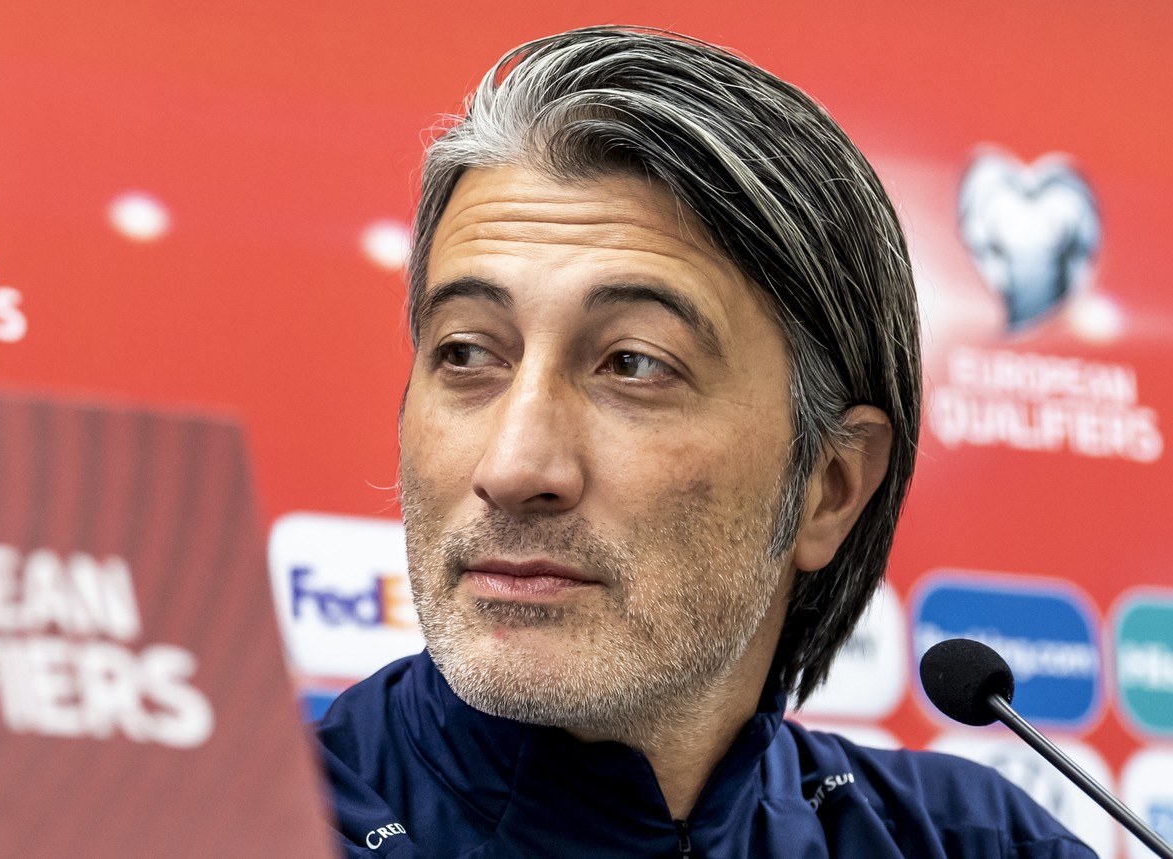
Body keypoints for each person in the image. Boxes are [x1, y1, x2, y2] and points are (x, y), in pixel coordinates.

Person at [315, 26, 1096, 858]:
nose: (512, 467)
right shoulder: (238, 820)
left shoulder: (973, 843)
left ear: (828, 485)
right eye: (467, 353)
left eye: (633, 364)